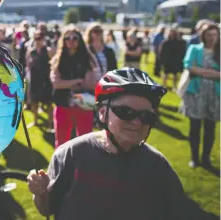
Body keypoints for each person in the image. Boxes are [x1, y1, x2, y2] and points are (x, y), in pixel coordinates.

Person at [27, 67, 203, 220]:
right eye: (125, 111)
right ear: (103, 113)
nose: (137, 122)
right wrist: (40, 193)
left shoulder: (158, 166)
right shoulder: (71, 154)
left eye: (146, 116)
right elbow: (47, 209)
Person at [181, 23, 220, 169]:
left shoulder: (219, 51)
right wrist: (215, 74)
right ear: (203, 36)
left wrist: (201, 71)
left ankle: (206, 159)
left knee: (210, 128)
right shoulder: (194, 49)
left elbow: (196, 69)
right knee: (195, 127)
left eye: (215, 35)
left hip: (215, 95)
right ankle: (194, 158)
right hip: (195, 93)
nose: (212, 38)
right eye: (209, 35)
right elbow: (189, 66)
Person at [50, 25, 97, 147]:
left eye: (74, 38)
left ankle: (84, 166)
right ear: (63, 40)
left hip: (84, 105)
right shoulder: (57, 59)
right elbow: (56, 83)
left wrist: (67, 83)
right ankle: (61, 166)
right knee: (61, 143)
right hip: (63, 105)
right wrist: (77, 81)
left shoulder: (88, 59)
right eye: (67, 38)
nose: (71, 40)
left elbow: (92, 83)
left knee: (85, 142)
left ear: (80, 40)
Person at [27, 30, 54, 130]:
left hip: (45, 80)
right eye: (35, 39)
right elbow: (29, 64)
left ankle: (50, 122)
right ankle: (35, 121)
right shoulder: (32, 51)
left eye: (39, 38)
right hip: (34, 80)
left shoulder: (48, 50)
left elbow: (54, 65)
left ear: (43, 39)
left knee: (48, 102)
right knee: (34, 101)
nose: (37, 41)